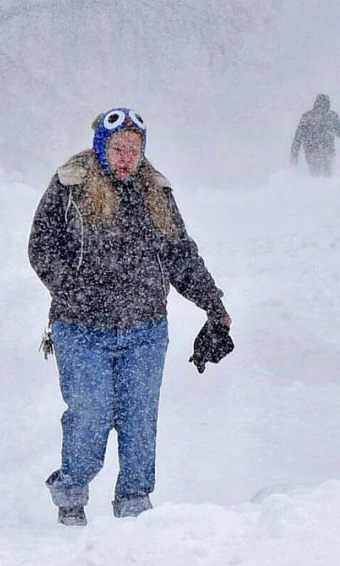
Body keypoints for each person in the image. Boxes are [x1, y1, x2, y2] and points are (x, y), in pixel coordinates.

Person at [28, 107, 231, 526]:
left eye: (134, 150)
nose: (125, 158)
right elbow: (41, 246)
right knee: (91, 411)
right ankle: (71, 493)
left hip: (145, 330)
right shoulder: (71, 184)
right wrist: (72, 289)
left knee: (139, 416)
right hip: (81, 329)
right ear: (102, 147)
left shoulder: (156, 192)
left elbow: (180, 255)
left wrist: (213, 305)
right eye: (118, 149)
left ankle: (135, 505)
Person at [290, 94, 340, 177]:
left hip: (313, 153)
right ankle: (323, 187)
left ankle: (316, 187)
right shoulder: (330, 117)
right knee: (325, 175)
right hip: (325, 152)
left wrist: (294, 156)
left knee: (315, 175)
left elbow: (297, 139)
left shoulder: (308, 117)